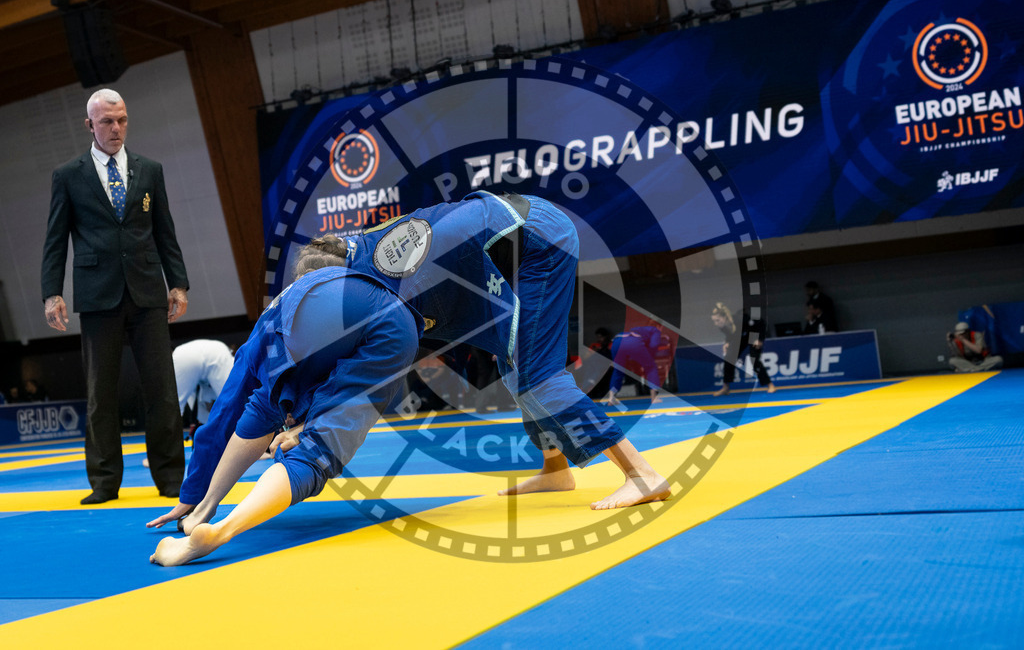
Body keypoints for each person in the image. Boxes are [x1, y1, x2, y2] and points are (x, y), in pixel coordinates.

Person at [148, 193, 669, 566]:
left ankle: (642, 474)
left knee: (537, 377)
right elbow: (374, 365)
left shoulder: (387, 274)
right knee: (516, 364)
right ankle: (558, 469)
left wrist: (215, 488)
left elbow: (374, 364)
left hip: (537, 240)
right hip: (498, 255)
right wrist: (298, 425)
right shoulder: (376, 282)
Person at [41, 88, 189, 505]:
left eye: (122, 120)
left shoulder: (150, 170)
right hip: (96, 293)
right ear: (90, 125)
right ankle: (104, 482)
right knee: (100, 395)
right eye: (107, 121)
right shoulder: (68, 176)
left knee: (162, 390)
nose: (116, 128)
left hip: (147, 291)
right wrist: (51, 293)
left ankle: (171, 478)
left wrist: (178, 283)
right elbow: (55, 240)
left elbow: (165, 231)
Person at [711, 302, 775, 397]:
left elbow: (761, 323)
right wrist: (727, 342)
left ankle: (770, 385)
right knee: (729, 358)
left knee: (754, 359)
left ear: (724, 317)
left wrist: (760, 339)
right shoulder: (722, 327)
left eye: (717, 320)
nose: (716, 323)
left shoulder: (739, 318)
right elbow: (731, 335)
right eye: (714, 321)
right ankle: (725, 388)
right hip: (740, 338)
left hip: (753, 335)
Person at [600, 324, 664, 406]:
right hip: (633, 342)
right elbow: (654, 345)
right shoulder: (655, 330)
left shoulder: (635, 328)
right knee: (651, 367)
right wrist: (650, 357)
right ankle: (654, 397)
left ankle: (611, 398)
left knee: (618, 370)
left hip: (617, 341)